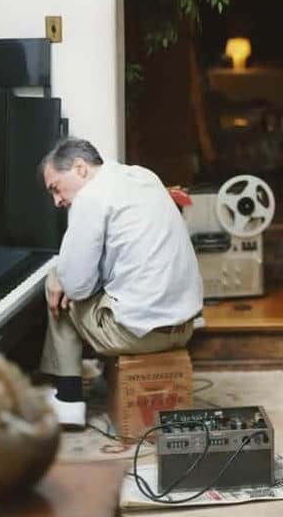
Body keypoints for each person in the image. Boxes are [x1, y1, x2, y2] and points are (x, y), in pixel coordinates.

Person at [37, 137, 203, 426]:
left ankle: (68, 400)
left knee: (57, 279)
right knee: (94, 283)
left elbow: (76, 287)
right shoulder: (143, 176)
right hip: (185, 327)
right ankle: (103, 379)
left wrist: (60, 274)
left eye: (55, 188)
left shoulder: (89, 199)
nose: (56, 201)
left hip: (140, 336)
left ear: (79, 168)